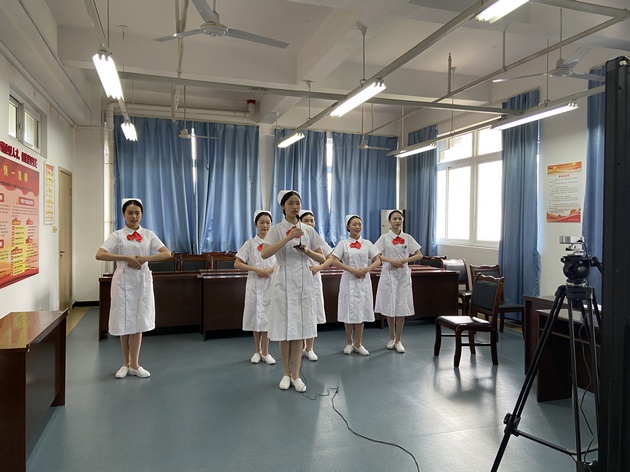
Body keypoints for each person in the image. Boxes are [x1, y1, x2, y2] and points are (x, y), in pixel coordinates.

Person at [261, 190, 329, 393]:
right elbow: (265, 253)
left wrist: (307, 251)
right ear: (283, 206)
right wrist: (288, 238)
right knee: (284, 331)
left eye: (298, 203)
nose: (295, 207)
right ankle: (285, 373)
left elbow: (322, 258)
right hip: (282, 281)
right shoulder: (276, 229)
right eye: (290, 203)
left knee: (299, 330)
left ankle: (297, 375)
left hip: (303, 283)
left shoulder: (308, 230)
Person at [95, 198, 171, 378]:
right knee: (124, 320)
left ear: (142, 214)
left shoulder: (148, 234)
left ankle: (135, 365)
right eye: (130, 213)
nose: (134, 216)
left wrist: (146, 259)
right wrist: (125, 258)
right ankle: (125, 363)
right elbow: (100, 254)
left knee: (138, 321)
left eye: (137, 213)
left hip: (142, 280)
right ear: (123, 214)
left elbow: (166, 253)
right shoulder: (117, 235)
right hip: (122, 280)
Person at [374, 209, 423, 353]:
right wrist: (391, 261)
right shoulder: (384, 238)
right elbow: (375, 254)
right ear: (389, 221)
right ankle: (391, 337)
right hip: (388, 273)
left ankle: (399, 340)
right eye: (394, 218)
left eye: (399, 218)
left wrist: (404, 260)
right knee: (390, 306)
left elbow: (419, 255)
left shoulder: (407, 237)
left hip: (403, 275)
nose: (397, 221)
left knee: (401, 306)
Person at [332, 215, 381, 355]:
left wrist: (366, 269)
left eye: (359, 224)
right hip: (348, 280)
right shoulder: (343, 243)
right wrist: (352, 270)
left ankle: (359, 344)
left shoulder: (367, 243)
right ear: (348, 226)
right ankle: (349, 342)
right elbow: (335, 261)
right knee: (348, 311)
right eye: (354, 224)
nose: (357, 227)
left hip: (363, 280)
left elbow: (378, 260)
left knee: (361, 311)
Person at [234, 210, 277, 365]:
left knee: (267, 318)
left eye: (268, 222)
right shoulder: (249, 244)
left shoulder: (275, 243)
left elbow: (282, 262)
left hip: (271, 284)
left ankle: (266, 352)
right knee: (255, 317)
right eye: (262, 222)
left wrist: (271, 269)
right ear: (255, 224)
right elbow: (237, 263)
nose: (265, 225)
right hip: (254, 284)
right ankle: (257, 351)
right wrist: (255, 269)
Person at [298, 209, 333, 361]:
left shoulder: (317, 238)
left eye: (312, 220)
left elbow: (329, 258)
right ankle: (300, 347)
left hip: (313, 279)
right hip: (297, 280)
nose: (310, 223)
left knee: (311, 313)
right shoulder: (295, 237)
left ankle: (310, 348)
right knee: (299, 314)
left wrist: (318, 268)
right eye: (306, 221)